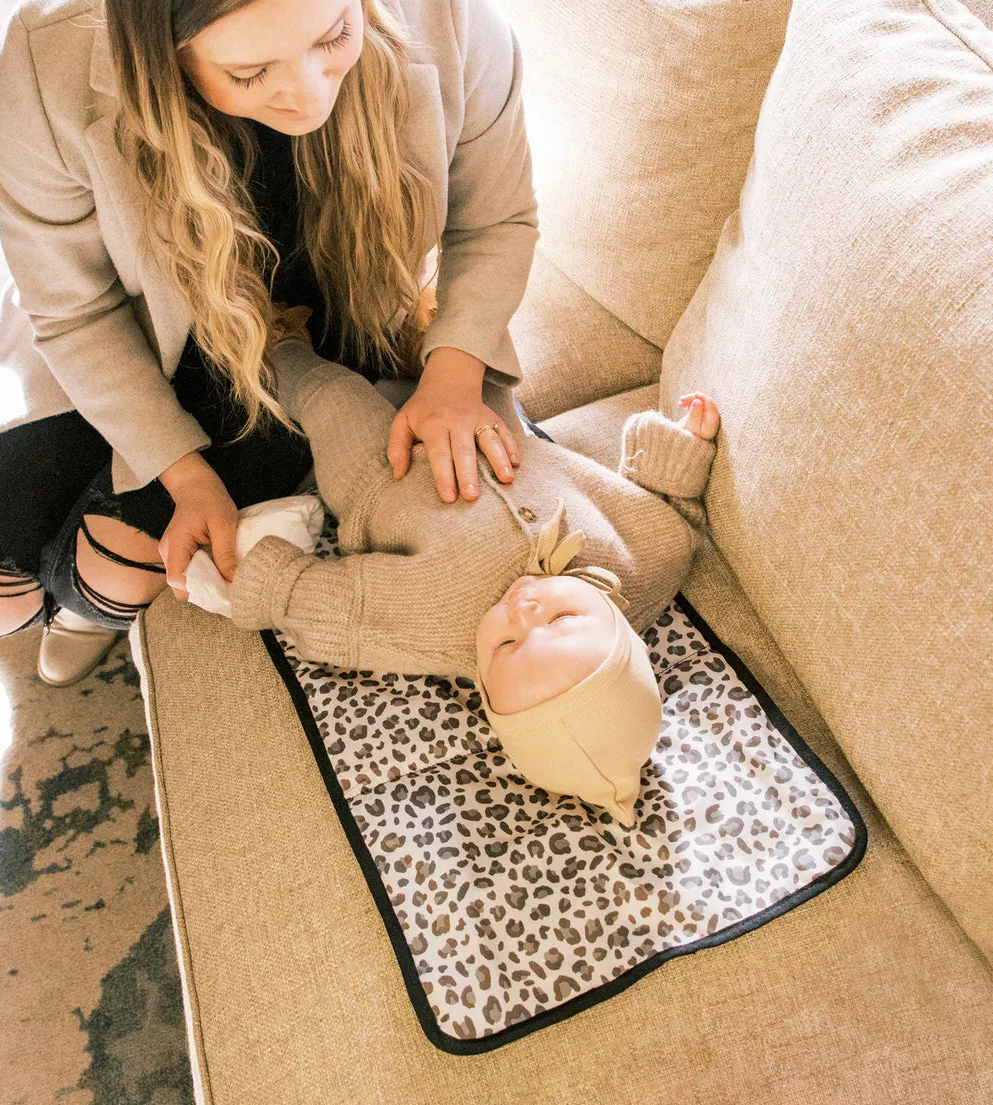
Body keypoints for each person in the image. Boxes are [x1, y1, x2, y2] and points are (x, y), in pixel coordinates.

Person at [0, 0, 540, 685]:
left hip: (313, 339)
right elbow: (76, 310)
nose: (309, 96)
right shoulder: (46, 57)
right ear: (156, 43)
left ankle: (92, 598)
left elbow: (498, 217)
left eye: (335, 35)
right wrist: (181, 471)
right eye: (250, 73)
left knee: (117, 572)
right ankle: (73, 587)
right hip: (135, 329)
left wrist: (452, 377)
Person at [227, 311, 721, 828]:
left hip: (381, 472)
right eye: (560, 621)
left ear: (484, 686)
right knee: (479, 350)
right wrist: (680, 446)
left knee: (331, 394)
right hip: (494, 434)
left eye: (507, 646)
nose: (523, 610)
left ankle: (279, 347)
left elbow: (346, 611)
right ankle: (408, 328)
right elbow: (669, 518)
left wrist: (271, 582)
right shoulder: (643, 567)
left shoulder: (438, 627)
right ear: (624, 630)